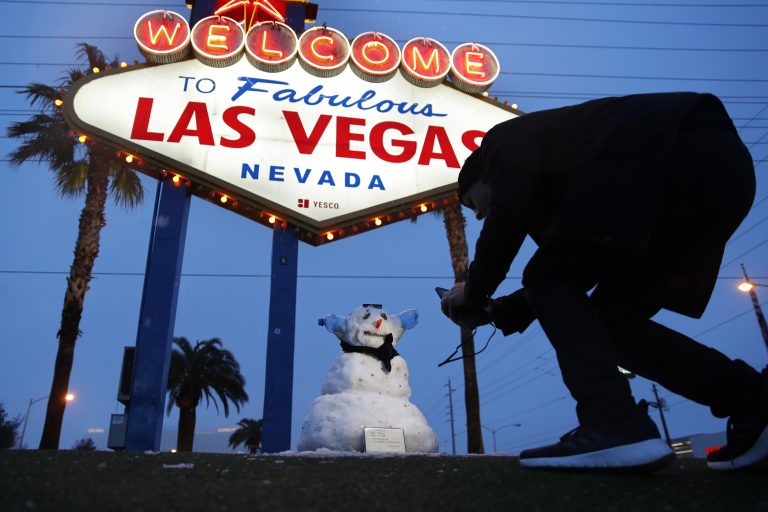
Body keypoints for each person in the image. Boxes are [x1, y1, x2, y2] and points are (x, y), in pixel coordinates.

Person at [440, 92, 767, 471]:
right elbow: (573, 275)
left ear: (479, 176)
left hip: (670, 153)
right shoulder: (574, 176)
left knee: (547, 275)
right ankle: (752, 402)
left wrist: (475, 289)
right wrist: (502, 309)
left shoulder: (499, 143)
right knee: (607, 320)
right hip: (717, 177)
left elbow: (510, 221)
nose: (478, 215)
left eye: (471, 203)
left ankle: (613, 422)